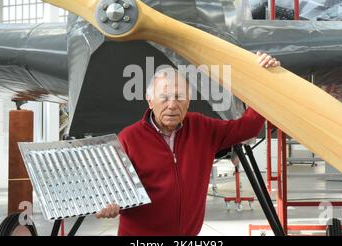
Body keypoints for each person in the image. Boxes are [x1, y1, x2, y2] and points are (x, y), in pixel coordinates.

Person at [96, 52, 281, 235]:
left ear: (189, 101)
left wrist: (265, 79)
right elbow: (109, 188)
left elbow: (247, 128)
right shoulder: (129, 138)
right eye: (164, 97)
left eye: (179, 97)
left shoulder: (202, 128)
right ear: (150, 101)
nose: (172, 105)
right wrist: (109, 204)